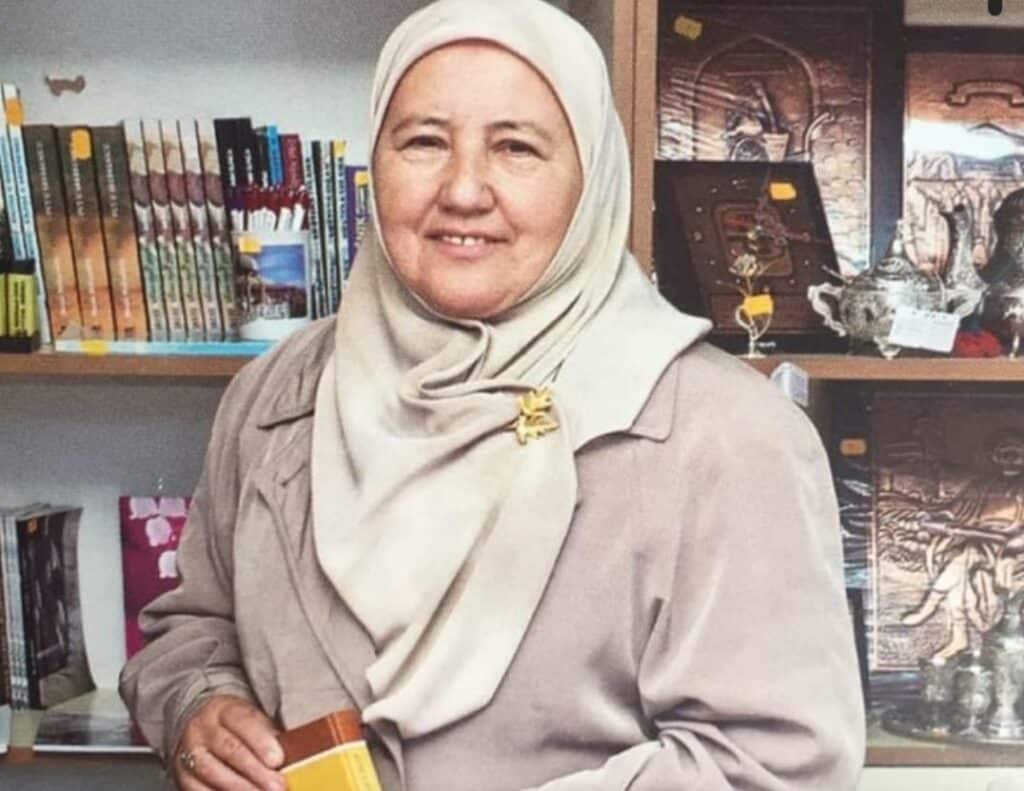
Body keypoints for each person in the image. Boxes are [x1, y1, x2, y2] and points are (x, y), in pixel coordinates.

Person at [119, 1, 865, 789]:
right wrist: (198, 707)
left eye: (516, 147)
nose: (464, 189)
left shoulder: (726, 436)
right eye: (424, 141)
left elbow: (777, 763)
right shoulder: (276, 395)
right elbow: (192, 627)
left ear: (591, 178)